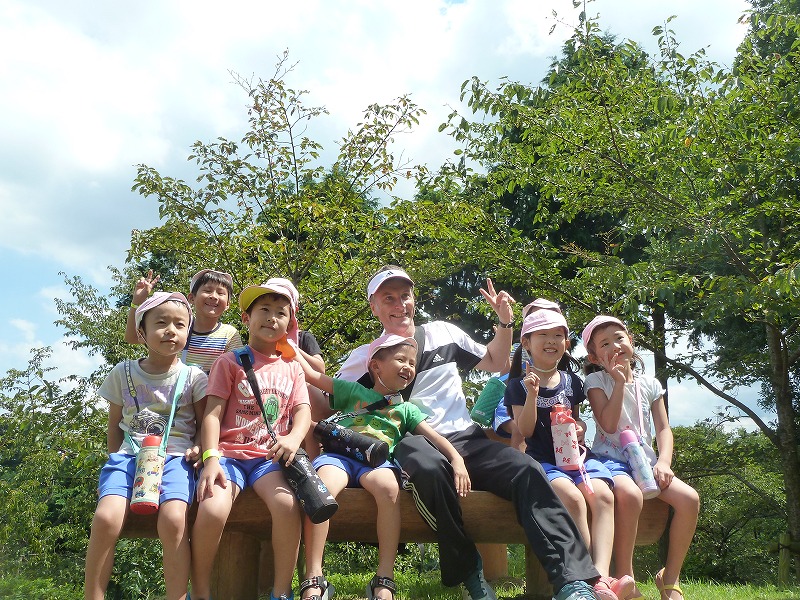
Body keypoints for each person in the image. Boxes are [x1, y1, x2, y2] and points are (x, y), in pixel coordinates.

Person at [336, 266, 605, 600]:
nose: (399, 304)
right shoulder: (364, 358)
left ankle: (573, 581)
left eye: (405, 296)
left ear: (414, 299)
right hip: (412, 440)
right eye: (388, 298)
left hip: (466, 437)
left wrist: (504, 322)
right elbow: (326, 402)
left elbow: (496, 361)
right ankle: (469, 571)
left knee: (526, 470)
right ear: (374, 306)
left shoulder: (443, 333)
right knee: (431, 470)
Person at [295, 333, 470, 600]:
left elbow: (435, 438)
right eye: (401, 360)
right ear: (376, 366)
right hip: (339, 457)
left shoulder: (407, 410)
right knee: (323, 487)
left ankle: (384, 576)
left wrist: (456, 459)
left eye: (412, 363)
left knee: (389, 488)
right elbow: (311, 375)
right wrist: (287, 345)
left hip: (376, 463)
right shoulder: (353, 391)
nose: (408, 367)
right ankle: (314, 575)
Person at [190, 279, 312, 600]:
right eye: (264, 310)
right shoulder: (230, 362)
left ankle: (281, 592)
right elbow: (212, 415)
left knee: (287, 506)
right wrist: (210, 459)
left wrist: (293, 438)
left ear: (290, 323)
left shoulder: (293, 369)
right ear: (246, 318)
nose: (272, 318)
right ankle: (199, 591)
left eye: (281, 313)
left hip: (267, 459)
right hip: (229, 456)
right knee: (212, 508)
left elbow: (302, 412)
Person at [84, 292, 208, 600]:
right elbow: (114, 425)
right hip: (128, 457)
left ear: (188, 332)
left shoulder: (194, 377)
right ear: (141, 332)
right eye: (161, 323)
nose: (171, 331)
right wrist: (113, 461)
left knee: (174, 519)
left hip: (176, 458)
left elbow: (205, 422)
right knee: (106, 518)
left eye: (180, 324)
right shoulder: (122, 373)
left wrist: (199, 447)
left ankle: (177, 596)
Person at [504, 309, 634, 600]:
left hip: (577, 459)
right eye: (543, 335)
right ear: (526, 343)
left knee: (603, 496)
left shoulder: (572, 381)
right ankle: (585, 579)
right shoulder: (517, 386)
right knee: (574, 500)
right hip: (544, 462)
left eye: (558, 335)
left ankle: (601, 577)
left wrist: (579, 427)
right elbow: (524, 430)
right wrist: (532, 395)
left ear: (566, 343)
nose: (552, 341)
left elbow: (577, 421)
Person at [581, 316, 700, 600]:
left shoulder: (650, 384)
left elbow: (663, 429)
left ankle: (670, 577)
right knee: (630, 495)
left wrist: (664, 462)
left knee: (690, 499)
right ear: (594, 357)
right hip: (611, 462)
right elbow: (609, 425)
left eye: (619, 338)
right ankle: (626, 578)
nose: (615, 346)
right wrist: (619, 383)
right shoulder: (595, 381)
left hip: (646, 463)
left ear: (631, 342)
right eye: (604, 344)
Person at [124, 269, 243, 374]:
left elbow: (237, 369)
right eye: (207, 291)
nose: (214, 296)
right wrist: (137, 301)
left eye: (221, 293)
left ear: (228, 304)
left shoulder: (229, 334)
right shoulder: (179, 328)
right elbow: (133, 338)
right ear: (191, 298)